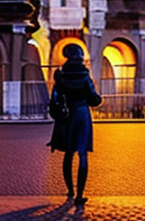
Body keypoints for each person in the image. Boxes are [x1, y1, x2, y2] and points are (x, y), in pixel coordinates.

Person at [47, 43, 102, 206]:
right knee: (82, 153)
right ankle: (80, 195)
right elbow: (94, 99)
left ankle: (70, 190)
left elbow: (56, 95)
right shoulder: (85, 75)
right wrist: (96, 99)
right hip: (82, 113)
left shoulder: (61, 75)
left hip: (67, 115)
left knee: (68, 153)